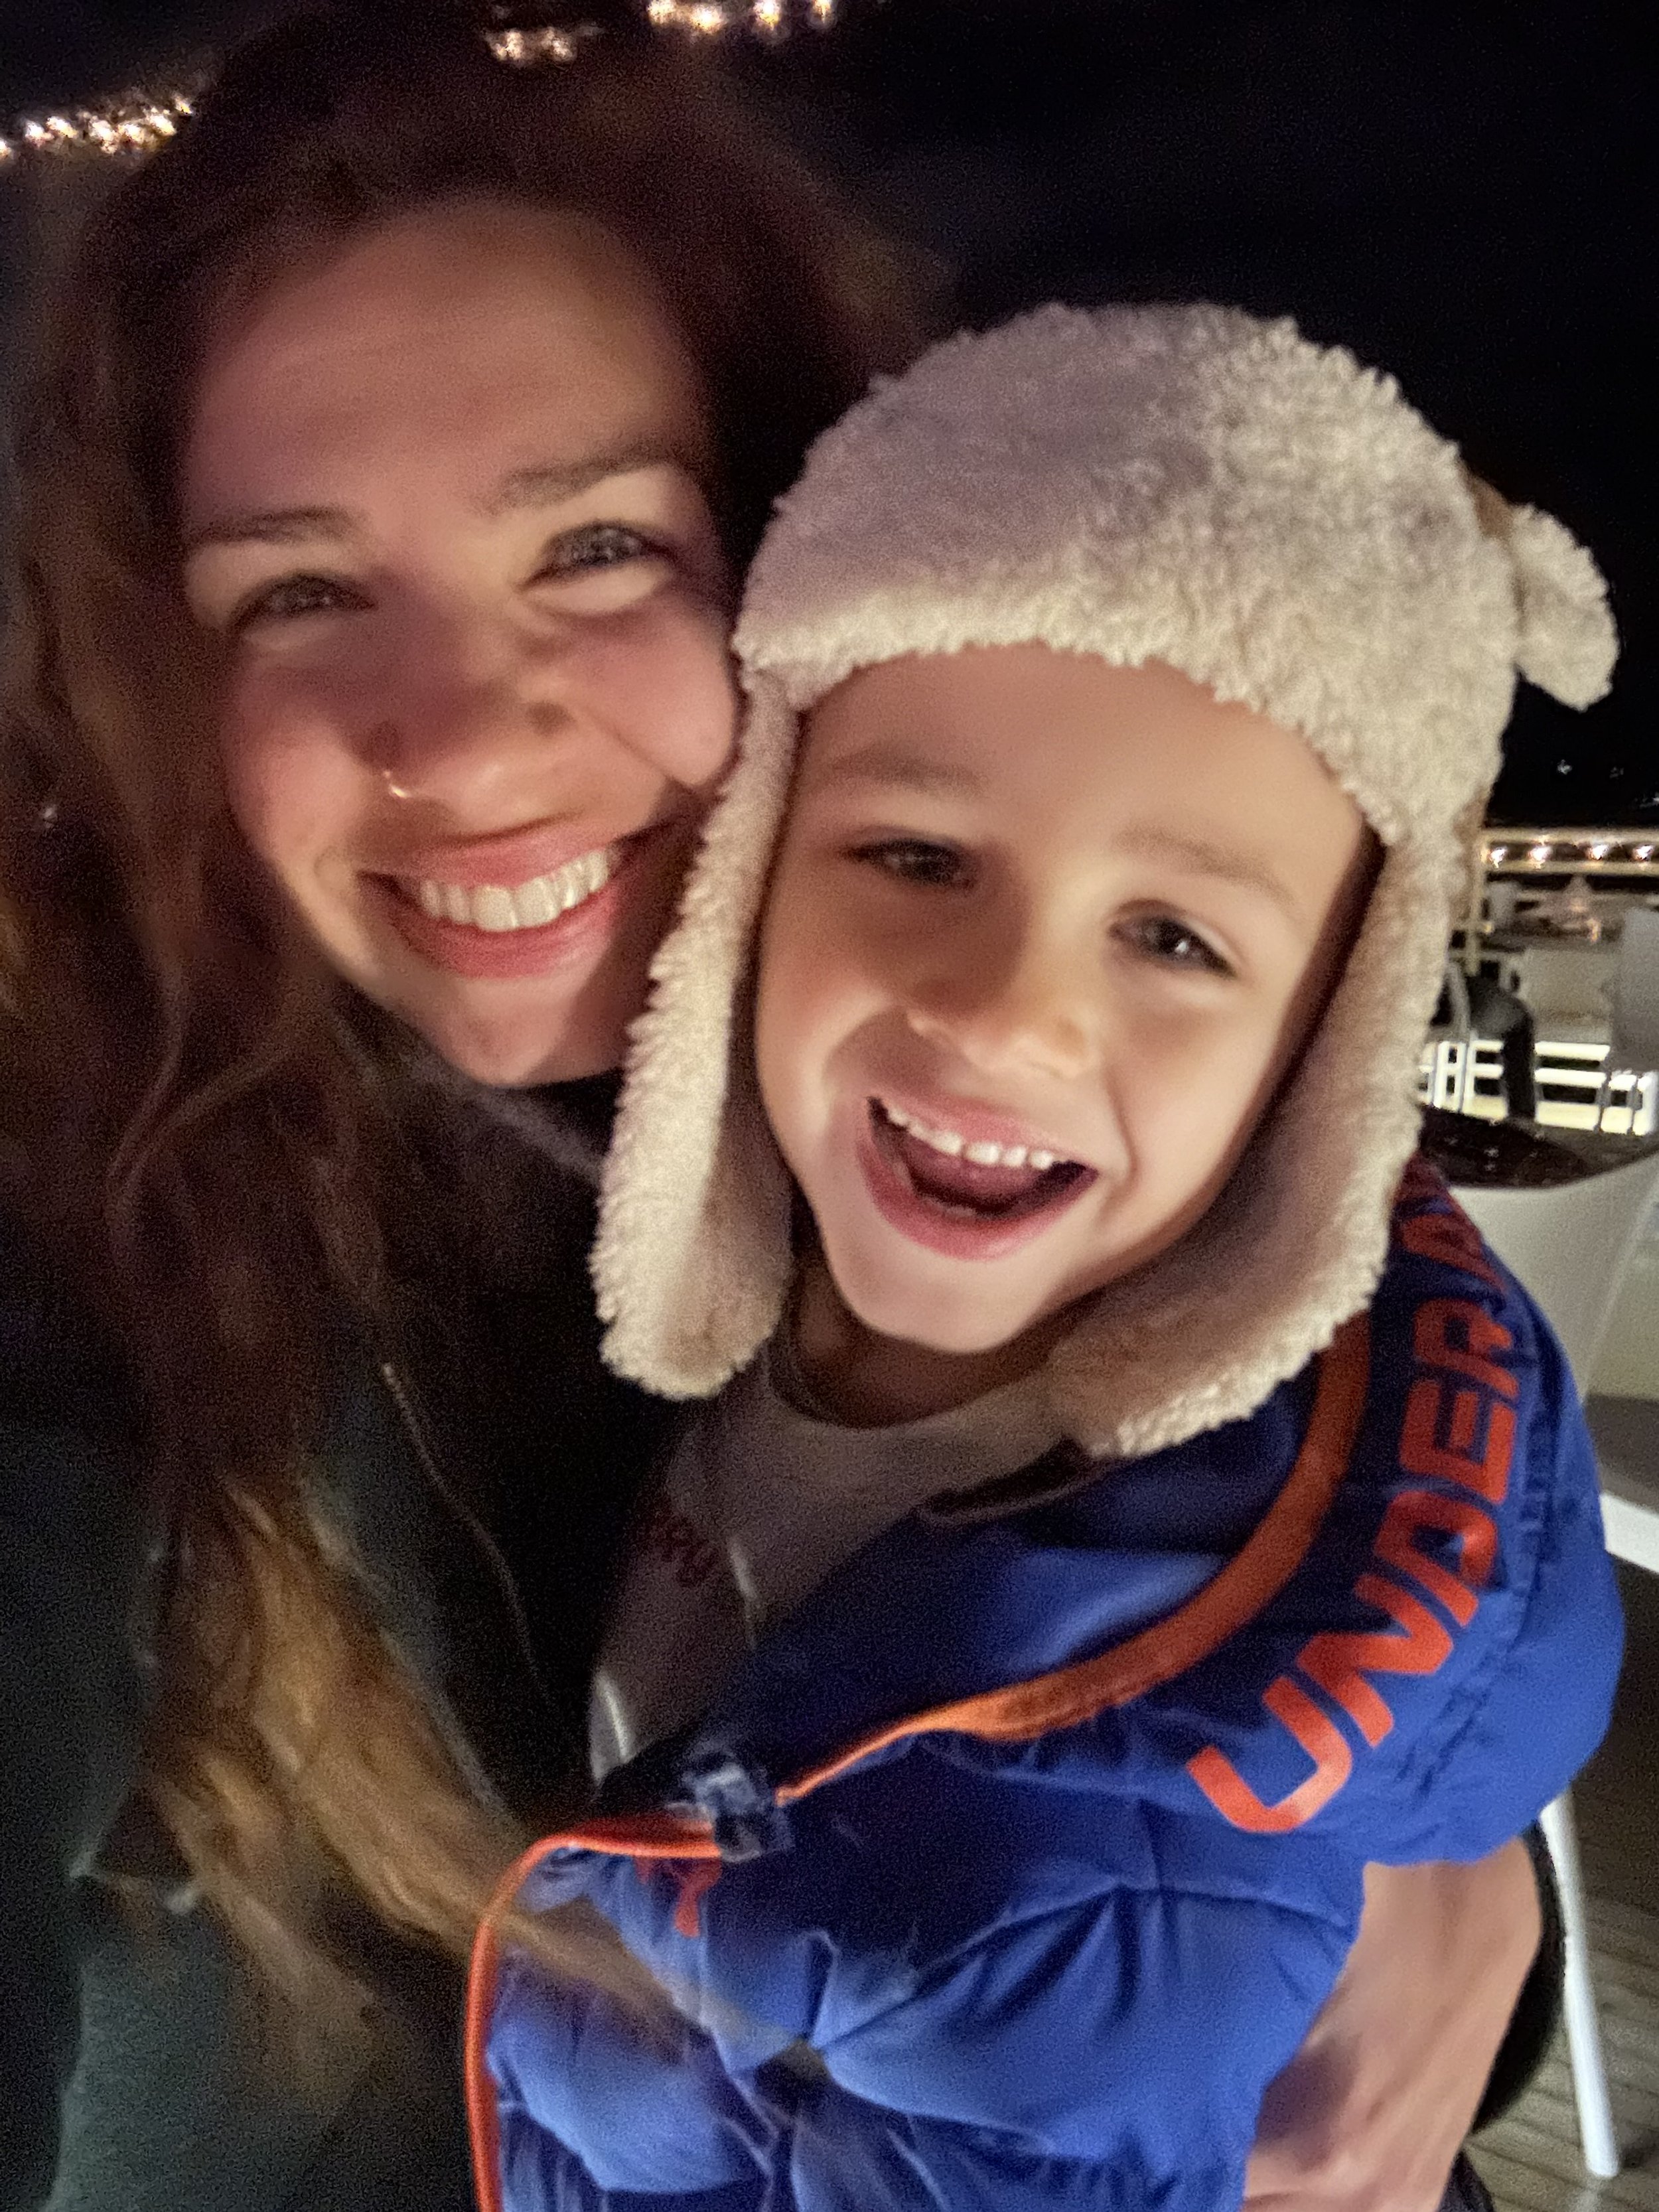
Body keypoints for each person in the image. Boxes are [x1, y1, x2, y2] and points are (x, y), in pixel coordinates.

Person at [0, 7, 1560, 2205]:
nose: (465, 738)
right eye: (303, 593)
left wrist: (1445, 1834)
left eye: (596, 549)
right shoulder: (90, 1232)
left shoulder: (1059, 1175)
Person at [470, 304, 1623, 2212]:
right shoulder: (727, 1300)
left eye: (1175, 939)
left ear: (1319, 1063)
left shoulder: (1091, 1871)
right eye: (917, 857)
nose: (1005, 1013)